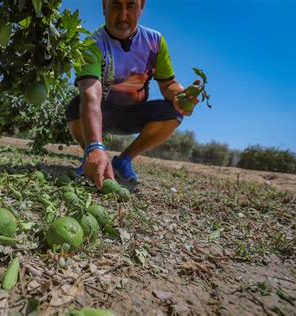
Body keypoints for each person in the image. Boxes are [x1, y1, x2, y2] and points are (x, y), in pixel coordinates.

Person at [66, 0, 199, 189]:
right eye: (115, 6)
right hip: (104, 114)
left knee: (171, 113)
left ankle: (124, 160)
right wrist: (94, 146)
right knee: (75, 107)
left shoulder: (155, 41)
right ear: (104, 5)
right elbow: (90, 95)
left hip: (136, 114)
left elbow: (168, 84)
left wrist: (179, 96)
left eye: (130, 6)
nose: (122, 15)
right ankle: (92, 155)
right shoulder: (91, 44)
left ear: (141, 6)